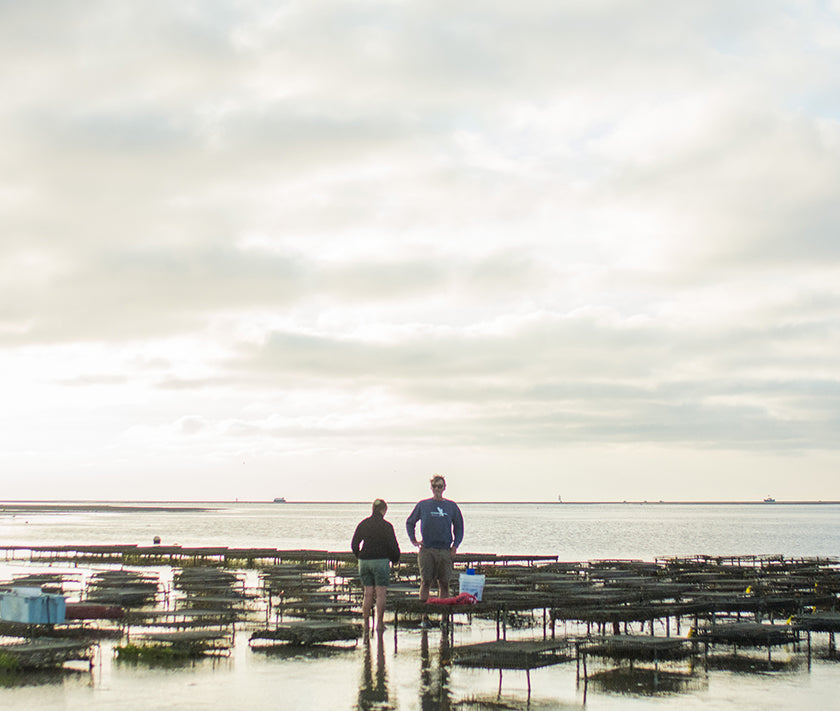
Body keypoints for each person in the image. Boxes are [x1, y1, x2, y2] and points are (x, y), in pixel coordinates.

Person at [405, 474, 464, 602]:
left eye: (440, 486)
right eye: (435, 486)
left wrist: (455, 546)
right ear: (431, 488)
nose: (437, 489)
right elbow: (410, 522)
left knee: (444, 583)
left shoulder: (451, 506)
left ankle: (443, 616)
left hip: (444, 550)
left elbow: (459, 527)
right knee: (426, 582)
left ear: (444, 488)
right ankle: (424, 616)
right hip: (427, 549)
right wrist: (413, 540)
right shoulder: (423, 505)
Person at [351, 498, 401, 632]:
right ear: (384, 510)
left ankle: (366, 623)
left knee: (367, 593)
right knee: (380, 594)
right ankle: (379, 623)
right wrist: (395, 559)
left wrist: (359, 556)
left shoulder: (363, 524)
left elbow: (354, 544)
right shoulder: (387, 526)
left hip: (364, 561)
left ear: (372, 509)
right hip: (380, 561)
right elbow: (393, 546)